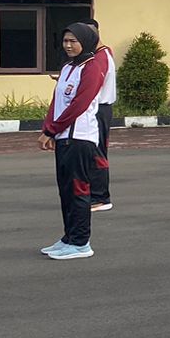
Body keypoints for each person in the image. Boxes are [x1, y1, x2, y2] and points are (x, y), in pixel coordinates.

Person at [37, 21, 108, 261]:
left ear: (85, 42)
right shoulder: (68, 67)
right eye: (65, 41)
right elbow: (57, 102)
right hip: (63, 138)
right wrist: (48, 129)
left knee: (78, 192)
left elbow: (79, 104)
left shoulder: (92, 67)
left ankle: (80, 243)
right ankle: (69, 237)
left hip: (80, 139)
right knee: (66, 191)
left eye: (73, 41)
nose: (68, 45)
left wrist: (53, 130)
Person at [83, 17, 116, 212]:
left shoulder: (100, 57)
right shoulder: (103, 52)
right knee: (92, 151)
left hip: (99, 109)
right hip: (101, 108)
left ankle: (100, 198)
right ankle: (94, 195)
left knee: (97, 152)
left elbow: (93, 85)